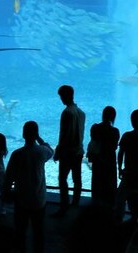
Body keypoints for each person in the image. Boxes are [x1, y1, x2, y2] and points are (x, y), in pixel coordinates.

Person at [3, 121, 54, 253]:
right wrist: (39, 138)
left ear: (23, 134)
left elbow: (8, 178)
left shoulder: (17, 154)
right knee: (39, 233)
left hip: (22, 200)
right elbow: (50, 150)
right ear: (36, 134)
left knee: (20, 232)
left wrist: (6, 194)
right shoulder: (42, 152)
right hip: (39, 200)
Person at [114, 109, 138, 224]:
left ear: (131, 121)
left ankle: (118, 219)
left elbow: (121, 153)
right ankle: (135, 219)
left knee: (121, 197)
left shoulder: (127, 136)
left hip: (129, 173)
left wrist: (120, 168)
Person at [52, 84, 85, 217]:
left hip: (67, 152)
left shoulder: (66, 113)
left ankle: (64, 206)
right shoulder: (81, 112)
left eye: (61, 96)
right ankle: (75, 204)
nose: (61, 99)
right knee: (77, 179)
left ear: (65, 96)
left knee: (62, 179)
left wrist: (58, 151)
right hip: (79, 151)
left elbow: (63, 134)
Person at [86, 105, 119, 209]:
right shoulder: (115, 131)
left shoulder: (95, 128)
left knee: (97, 185)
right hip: (109, 163)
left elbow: (93, 142)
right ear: (113, 117)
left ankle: (95, 208)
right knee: (109, 186)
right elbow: (113, 147)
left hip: (98, 162)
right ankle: (109, 210)